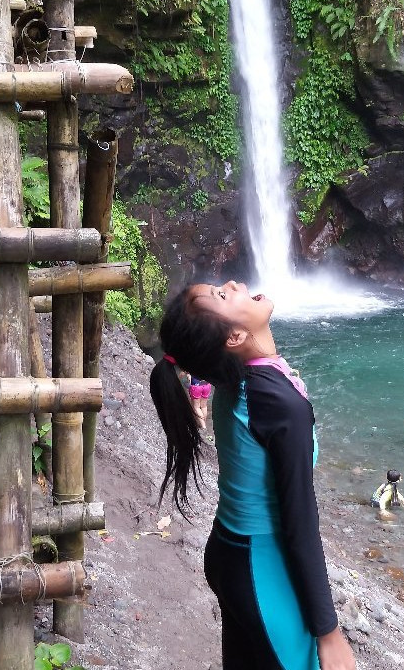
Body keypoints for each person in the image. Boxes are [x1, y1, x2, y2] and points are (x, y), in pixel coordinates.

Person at [149, 280, 355, 670]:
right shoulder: (276, 401)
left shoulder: (239, 381)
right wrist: (328, 632)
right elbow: (299, 521)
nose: (233, 283)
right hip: (261, 568)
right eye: (222, 295)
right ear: (235, 337)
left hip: (231, 552)